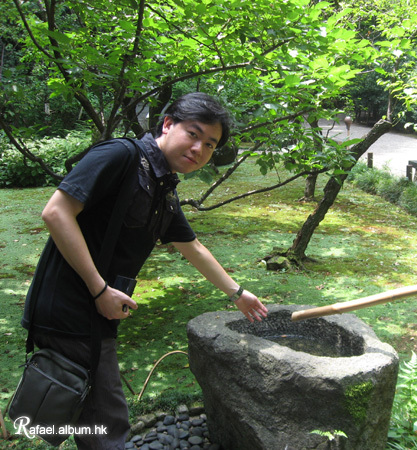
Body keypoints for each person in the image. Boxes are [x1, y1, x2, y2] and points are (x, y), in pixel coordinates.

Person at [21, 92, 268, 448]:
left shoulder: (162, 186)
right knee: (107, 422)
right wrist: (99, 289)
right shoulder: (120, 156)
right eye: (193, 134)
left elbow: (192, 247)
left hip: (95, 313)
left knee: (88, 414)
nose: (199, 148)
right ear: (168, 124)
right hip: (71, 309)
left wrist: (238, 293)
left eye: (210, 144)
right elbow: (56, 212)